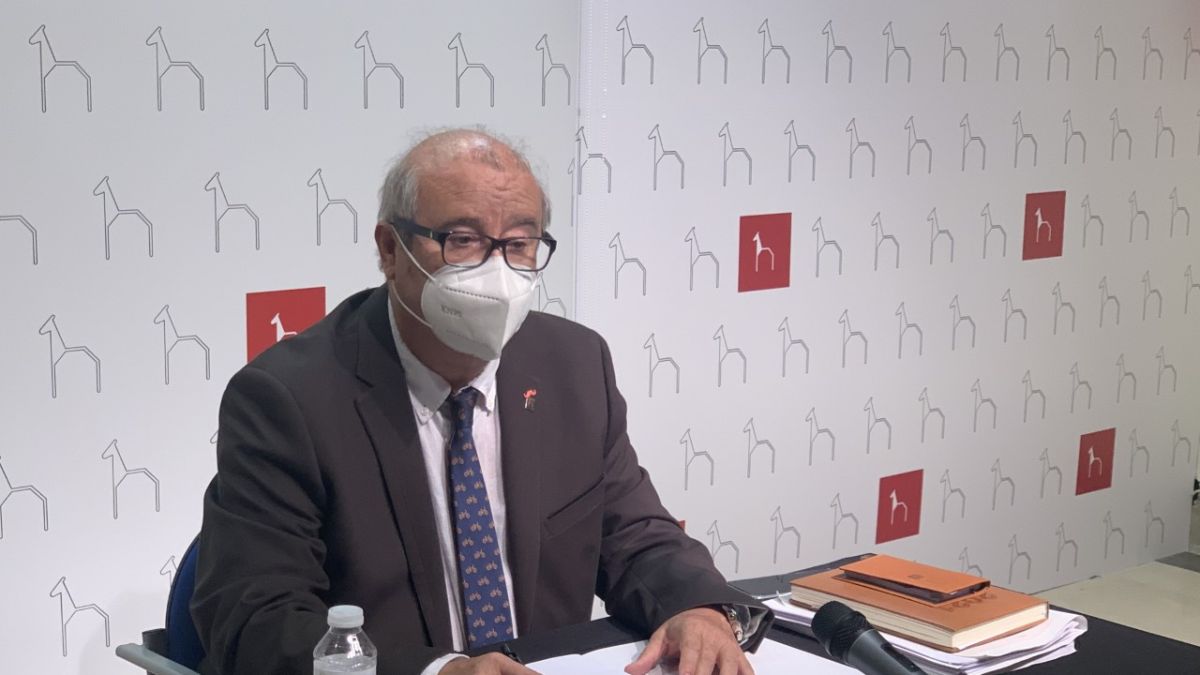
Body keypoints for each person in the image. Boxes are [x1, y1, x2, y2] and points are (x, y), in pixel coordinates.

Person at [192, 129, 770, 675]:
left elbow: (635, 536)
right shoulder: (289, 399)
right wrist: (439, 671)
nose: (497, 270)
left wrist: (696, 607)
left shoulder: (573, 366)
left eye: (518, 243)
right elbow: (255, 619)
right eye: (462, 240)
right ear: (391, 249)